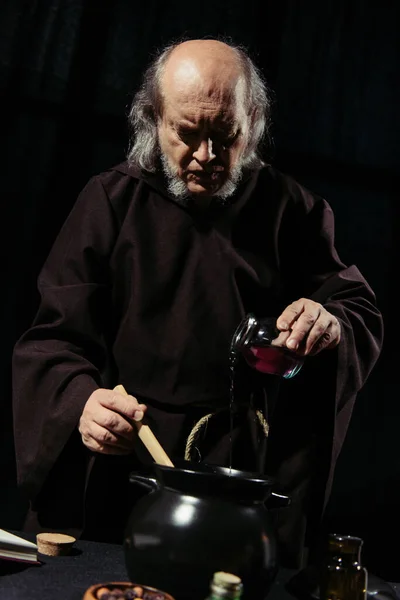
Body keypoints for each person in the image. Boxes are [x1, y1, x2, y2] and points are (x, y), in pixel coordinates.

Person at [12, 39, 383, 567]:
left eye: (224, 135)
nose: (206, 157)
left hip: (233, 475)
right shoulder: (110, 202)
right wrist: (79, 402)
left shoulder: (291, 211)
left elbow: (356, 307)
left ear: (250, 123)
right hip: (122, 457)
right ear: (153, 120)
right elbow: (54, 339)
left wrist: (331, 322)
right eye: (187, 133)